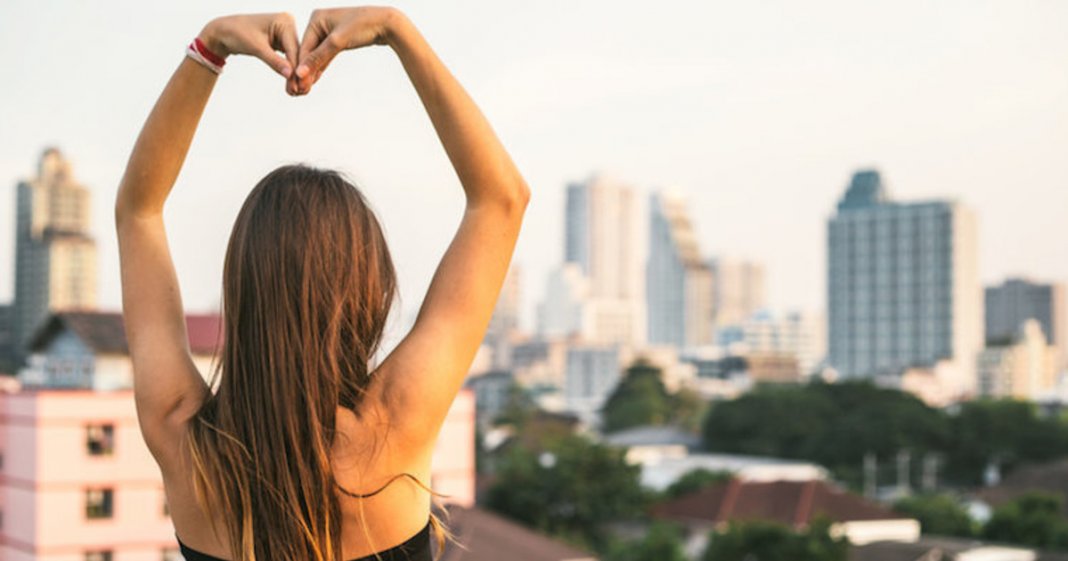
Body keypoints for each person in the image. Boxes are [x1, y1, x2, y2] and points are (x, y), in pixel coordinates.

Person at [115, 7, 529, 561]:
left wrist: (211, 46)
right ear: (367, 293)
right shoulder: (396, 423)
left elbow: (138, 211)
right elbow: (501, 201)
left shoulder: (180, 435)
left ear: (243, 292)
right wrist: (396, 31)